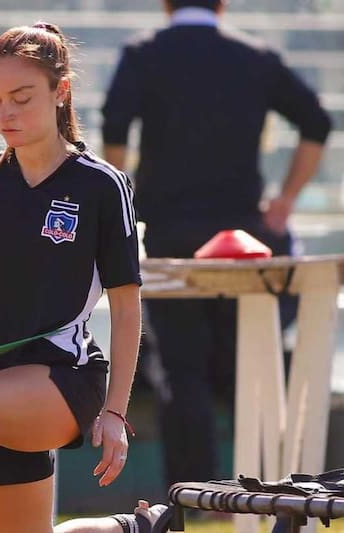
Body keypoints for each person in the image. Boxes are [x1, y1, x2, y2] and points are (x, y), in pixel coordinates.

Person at [0, 21, 147, 533]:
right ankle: (131, 528)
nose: (6, 113)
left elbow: (128, 306)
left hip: (64, 378)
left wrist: (115, 413)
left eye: (22, 97)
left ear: (60, 91)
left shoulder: (101, 185)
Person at [102, 0, 332, 490]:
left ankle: (195, 494)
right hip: (241, 242)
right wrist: (285, 200)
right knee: (249, 359)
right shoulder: (256, 57)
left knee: (181, 369)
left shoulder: (144, 54)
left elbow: (114, 129)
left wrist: (124, 197)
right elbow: (317, 122)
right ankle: (270, 489)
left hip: (171, 237)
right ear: (222, 3)